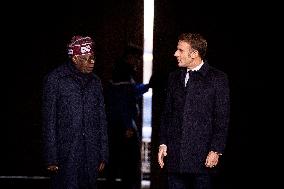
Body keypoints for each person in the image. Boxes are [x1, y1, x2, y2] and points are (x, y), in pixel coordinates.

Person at [157, 32, 230, 189]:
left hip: (203, 160)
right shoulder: (173, 77)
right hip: (175, 158)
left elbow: (222, 118)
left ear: (194, 53)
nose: (175, 53)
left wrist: (216, 150)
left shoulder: (218, 78)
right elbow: (167, 114)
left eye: (181, 50)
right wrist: (163, 143)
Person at [42, 35, 108, 189]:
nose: (93, 61)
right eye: (88, 58)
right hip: (66, 156)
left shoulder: (96, 82)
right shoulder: (55, 80)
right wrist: (51, 156)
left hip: (90, 155)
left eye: (94, 57)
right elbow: (49, 121)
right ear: (75, 58)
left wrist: (103, 154)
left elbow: (101, 119)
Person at [104, 46, 151, 189]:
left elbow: (129, 92)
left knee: (117, 164)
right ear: (129, 58)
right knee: (129, 166)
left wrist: (147, 86)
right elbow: (123, 100)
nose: (137, 62)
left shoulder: (120, 75)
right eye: (136, 58)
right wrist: (128, 126)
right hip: (123, 127)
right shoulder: (123, 76)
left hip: (118, 126)